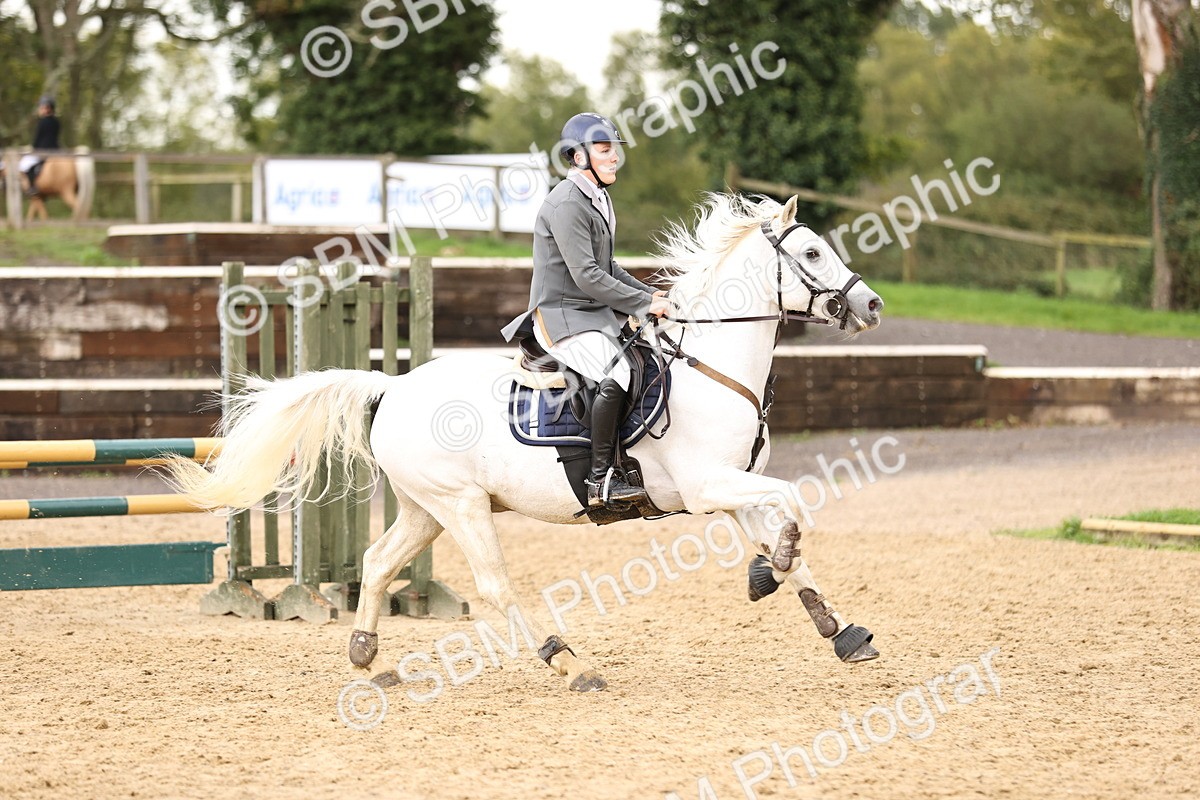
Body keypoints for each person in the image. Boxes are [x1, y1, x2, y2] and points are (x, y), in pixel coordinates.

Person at [501, 112, 672, 510]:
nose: (614, 157)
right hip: (561, 315)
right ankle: (600, 481)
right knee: (620, 370)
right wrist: (644, 304)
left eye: (614, 149)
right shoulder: (565, 204)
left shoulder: (597, 198)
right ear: (578, 156)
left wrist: (651, 293)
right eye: (604, 149)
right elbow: (588, 277)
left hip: (591, 313)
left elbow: (609, 267)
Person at [20, 96, 61, 197]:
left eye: (41, 107)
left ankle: (32, 187)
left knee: (24, 164)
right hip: (56, 150)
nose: (40, 109)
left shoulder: (42, 122)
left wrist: (32, 148)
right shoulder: (57, 122)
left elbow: (37, 139)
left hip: (43, 151)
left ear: (47, 108)